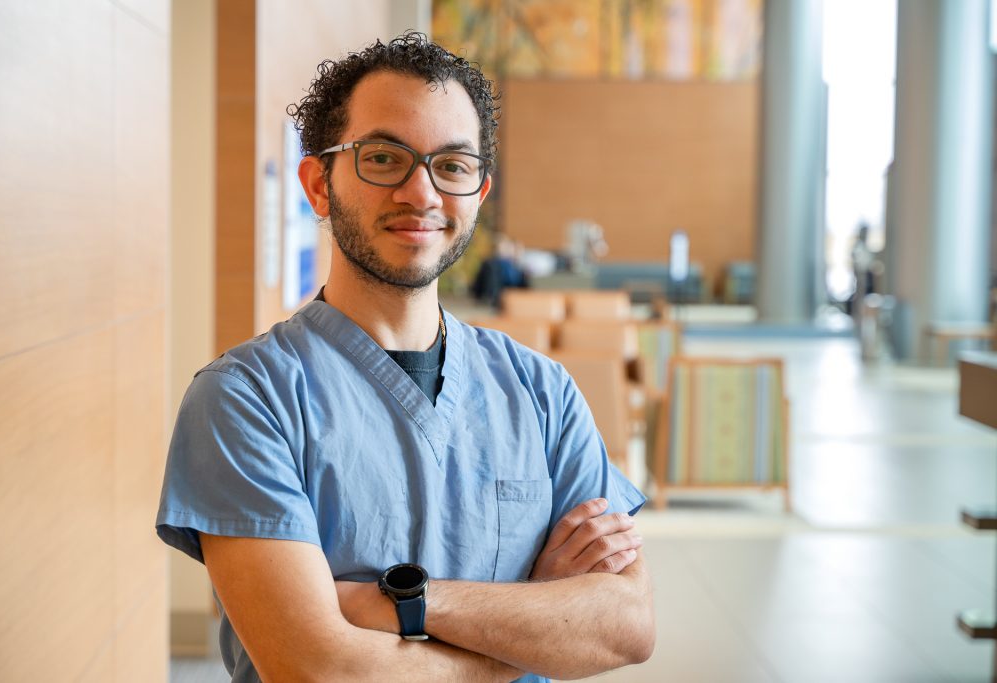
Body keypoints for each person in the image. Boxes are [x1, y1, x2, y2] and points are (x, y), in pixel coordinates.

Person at [156, 33, 654, 683]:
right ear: (318, 184)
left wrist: (393, 605)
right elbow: (320, 670)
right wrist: (533, 619)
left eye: (452, 165)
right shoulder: (246, 399)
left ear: (477, 191)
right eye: (384, 158)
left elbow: (628, 626)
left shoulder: (542, 393)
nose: (421, 193)